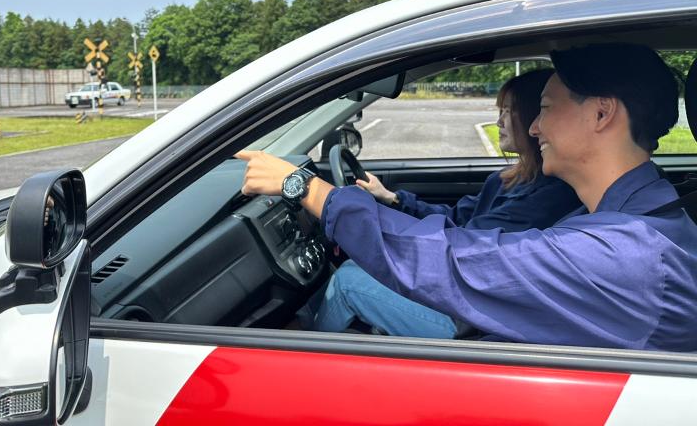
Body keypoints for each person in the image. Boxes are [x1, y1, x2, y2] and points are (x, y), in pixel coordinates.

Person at [236, 43, 697, 350]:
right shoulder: (635, 218)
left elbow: (455, 261)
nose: (534, 128)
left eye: (546, 110)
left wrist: (308, 189)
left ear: (601, 113)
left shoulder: (624, 252)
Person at [309, 68, 580, 337]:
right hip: (459, 290)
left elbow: (461, 244)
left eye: (509, 111)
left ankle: (298, 356)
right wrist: (391, 198)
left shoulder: (549, 196)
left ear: (534, 116)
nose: (499, 121)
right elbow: (455, 216)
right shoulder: (507, 179)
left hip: (471, 316)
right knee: (355, 268)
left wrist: (365, 225)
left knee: (347, 282)